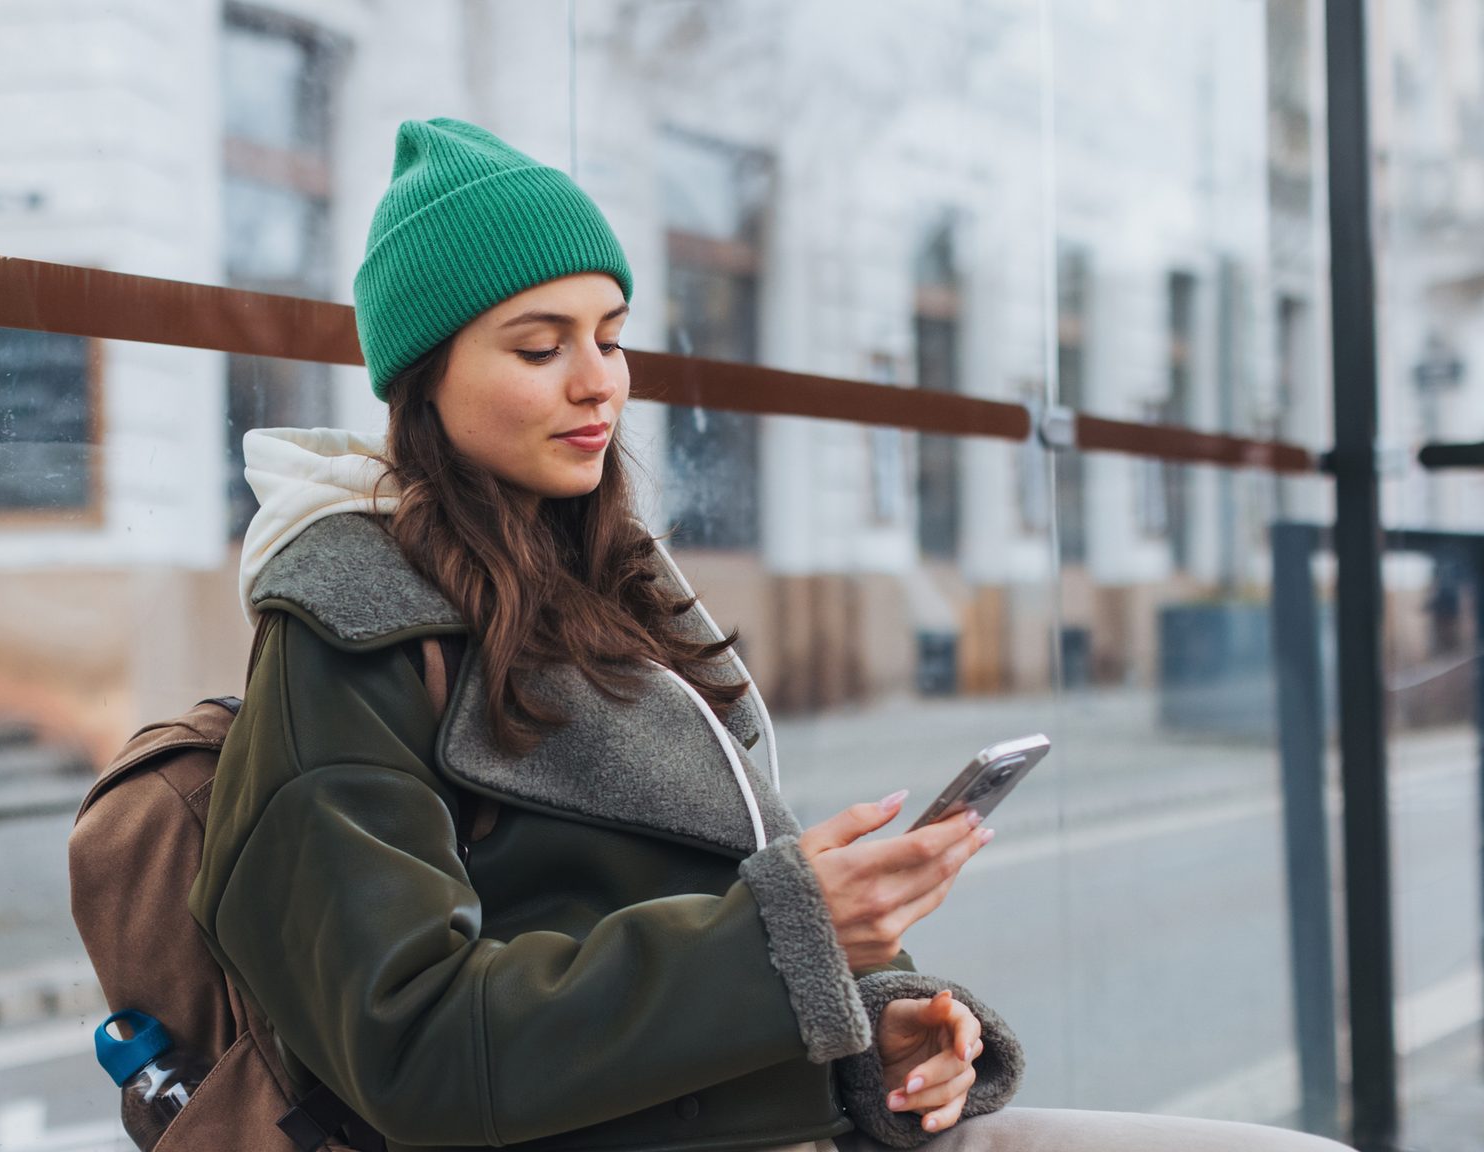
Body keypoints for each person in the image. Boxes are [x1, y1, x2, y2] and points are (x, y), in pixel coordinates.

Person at [190, 117, 1348, 1152]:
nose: (600, 384)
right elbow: (418, 1050)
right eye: (540, 348)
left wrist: (889, 1034)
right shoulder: (344, 635)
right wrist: (790, 935)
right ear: (424, 379)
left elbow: (722, 916)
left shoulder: (617, 583)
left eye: (612, 334)